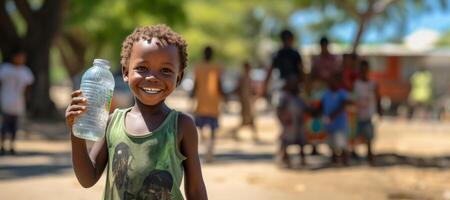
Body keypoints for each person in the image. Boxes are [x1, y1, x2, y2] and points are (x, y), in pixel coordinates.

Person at [66, 24, 207, 200]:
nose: (152, 77)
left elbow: (195, 189)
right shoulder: (112, 122)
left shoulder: (181, 125)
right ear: (126, 72)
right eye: (142, 68)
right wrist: (76, 131)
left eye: (165, 70)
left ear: (178, 78)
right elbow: (88, 178)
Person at [192, 46, 225, 163]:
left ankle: (206, 149)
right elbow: (220, 84)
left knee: (201, 128)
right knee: (211, 129)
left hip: (204, 102)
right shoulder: (216, 66)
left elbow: (195, 84)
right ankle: (209, 150)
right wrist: (224, 96)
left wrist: (192, 95)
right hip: (212, 102)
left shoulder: (199, 66)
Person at [0, 48, 34, 155]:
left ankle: (12, 145)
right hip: (6, 100)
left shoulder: (25, 71)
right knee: (5, 124)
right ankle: (2, 145)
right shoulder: (5, 69)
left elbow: (28, 87)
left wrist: (27, 99)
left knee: (14, 125)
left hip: (18, 102)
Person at [276, 75, 308, 168]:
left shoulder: (299, 97)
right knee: (285, 141)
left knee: (301, 142)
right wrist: (283, 120)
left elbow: (305, 108)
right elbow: (279, 109)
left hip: (299, 122)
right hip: (289, 123)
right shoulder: (284, 96)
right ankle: (283, 158)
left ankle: (302, 159)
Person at [353, 60, 381, 163]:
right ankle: (355, 156)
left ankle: (370, 158)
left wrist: (379, 111)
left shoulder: (373, 84)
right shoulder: (356, 84)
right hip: (357, 115)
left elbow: (378, 98)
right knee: (355, 137)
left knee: (369, 138)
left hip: (369, 114)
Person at [321, 74, 351, 165]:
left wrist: (333, 115)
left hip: (340, 124)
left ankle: (345, 161)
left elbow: (344, 105)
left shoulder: (342, 93)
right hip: (330, 125)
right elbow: (322, 106)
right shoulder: (326, 94)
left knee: (342, 145)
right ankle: (334, 161)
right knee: (331, 144)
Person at [229, 61, 258, 142]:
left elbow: (252, 90)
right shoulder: (243, 78)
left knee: (250, 119)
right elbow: (237, 88)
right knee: (246, 120)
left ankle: (254, 135)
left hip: (248, 101)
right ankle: (234, 132)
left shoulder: (249, 77)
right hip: (245, 102)